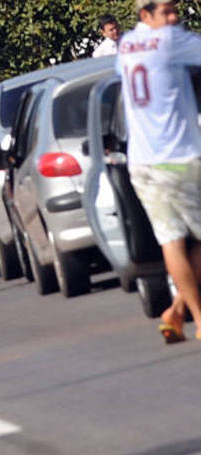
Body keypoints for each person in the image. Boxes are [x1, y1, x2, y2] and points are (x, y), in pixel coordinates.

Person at [117, 0, 201, 343]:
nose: (174, 17)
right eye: (166, 11)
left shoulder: (125, 44)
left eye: (175, 9)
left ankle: (177, 312)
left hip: (142, 160)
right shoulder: (170, 39)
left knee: (172, 240)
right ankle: (198, 317)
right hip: (178, 157)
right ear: (145, 14)